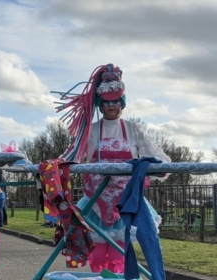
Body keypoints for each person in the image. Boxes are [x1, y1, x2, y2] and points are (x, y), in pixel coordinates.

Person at [57, 64, 170, 273]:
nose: (111, 106)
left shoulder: (133, 129)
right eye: (107, 102)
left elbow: (158, 158)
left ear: (122, 103)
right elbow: (71, 155)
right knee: (97, 254)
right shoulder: (90, 131)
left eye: (115, 101)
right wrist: (52, 167)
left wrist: (156, 167)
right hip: (95, 204)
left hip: (125, 204)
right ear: (100, 104)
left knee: (121, 255)